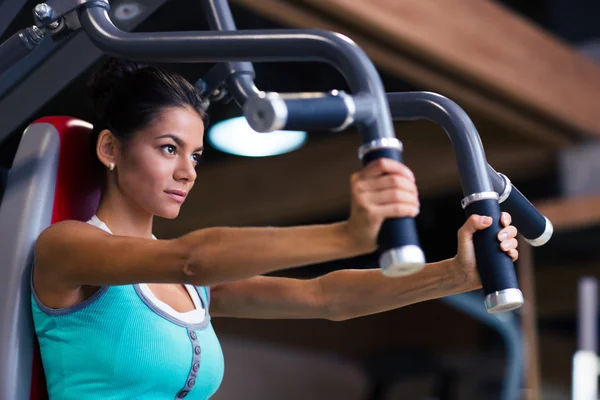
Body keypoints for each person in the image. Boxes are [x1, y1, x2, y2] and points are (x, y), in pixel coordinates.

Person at [31, 58, 520, 400]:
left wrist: (454, 274)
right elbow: (191, 256)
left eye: (196, 155)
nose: (188, 171)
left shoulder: (192, 289)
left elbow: (327, 298)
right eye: (168, 148)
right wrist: (349, 234)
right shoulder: (68, 249)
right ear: (111, 149)